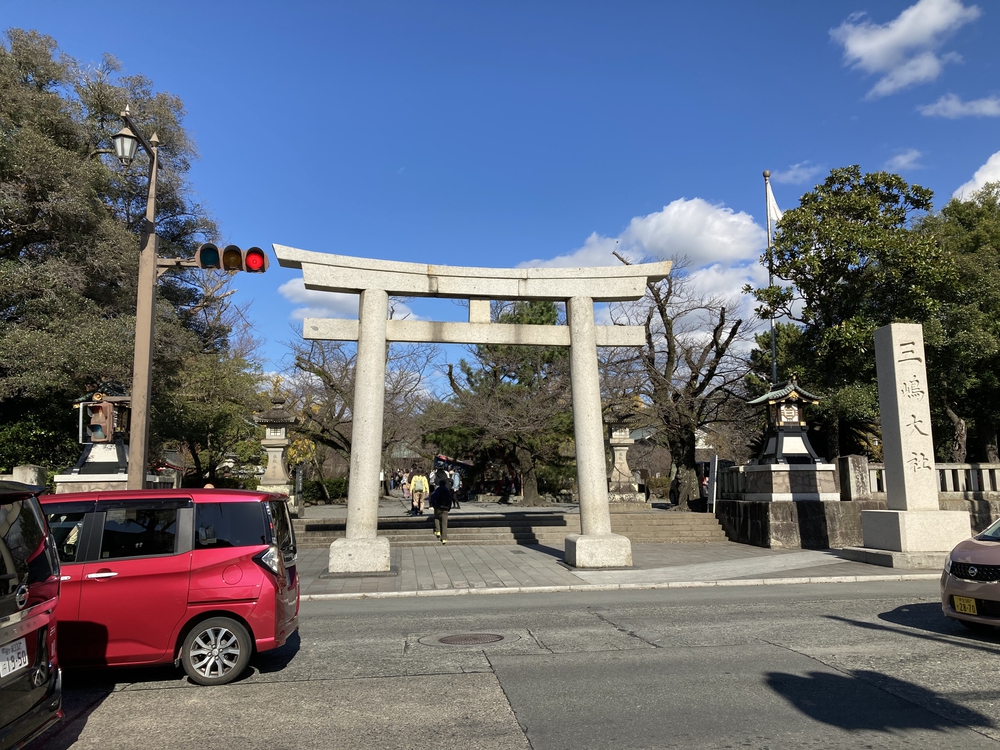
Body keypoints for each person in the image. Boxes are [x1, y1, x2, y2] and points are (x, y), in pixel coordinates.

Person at [429, 469, 453, 544]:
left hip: (438, 507)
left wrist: (434, 505)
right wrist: (449, 507)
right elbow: (450, 499)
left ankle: (438, 531)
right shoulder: (447, 490)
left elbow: (433, 497)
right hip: (445, 507)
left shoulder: (438, 490)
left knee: (436, 517)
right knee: (444, 522)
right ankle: (444, 538)